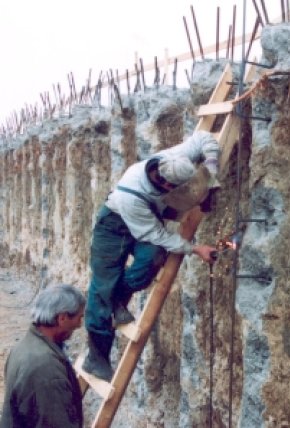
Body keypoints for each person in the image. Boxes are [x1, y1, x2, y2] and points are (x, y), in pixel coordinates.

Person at [83, 130, 220, 381]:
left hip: (144, 221)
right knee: (102, 289)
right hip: (113, 226)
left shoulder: (173, 159)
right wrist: (195, 249)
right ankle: (96, 356)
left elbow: (204, 138)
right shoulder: (132, 193)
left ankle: (118, 300)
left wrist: (211, 170)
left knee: (152, 259)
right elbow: (157, 235)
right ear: (166, 185)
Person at [0, 284, 86, 428]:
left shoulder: (24, 347)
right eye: (79, 317)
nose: (79, 325)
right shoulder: (47, 369)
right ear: (62, 318)